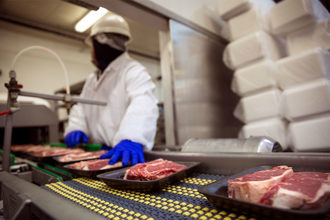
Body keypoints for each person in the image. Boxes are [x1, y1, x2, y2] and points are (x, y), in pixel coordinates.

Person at [64, 14, 159, 167]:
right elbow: (81, 107)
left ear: (100, 43)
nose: (91, 52)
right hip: (95, 155)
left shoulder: (133, 71)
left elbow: (143, 102)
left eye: (92, 46)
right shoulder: (91, 79)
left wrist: (131, 138)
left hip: (122, 155)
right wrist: (76, 127)